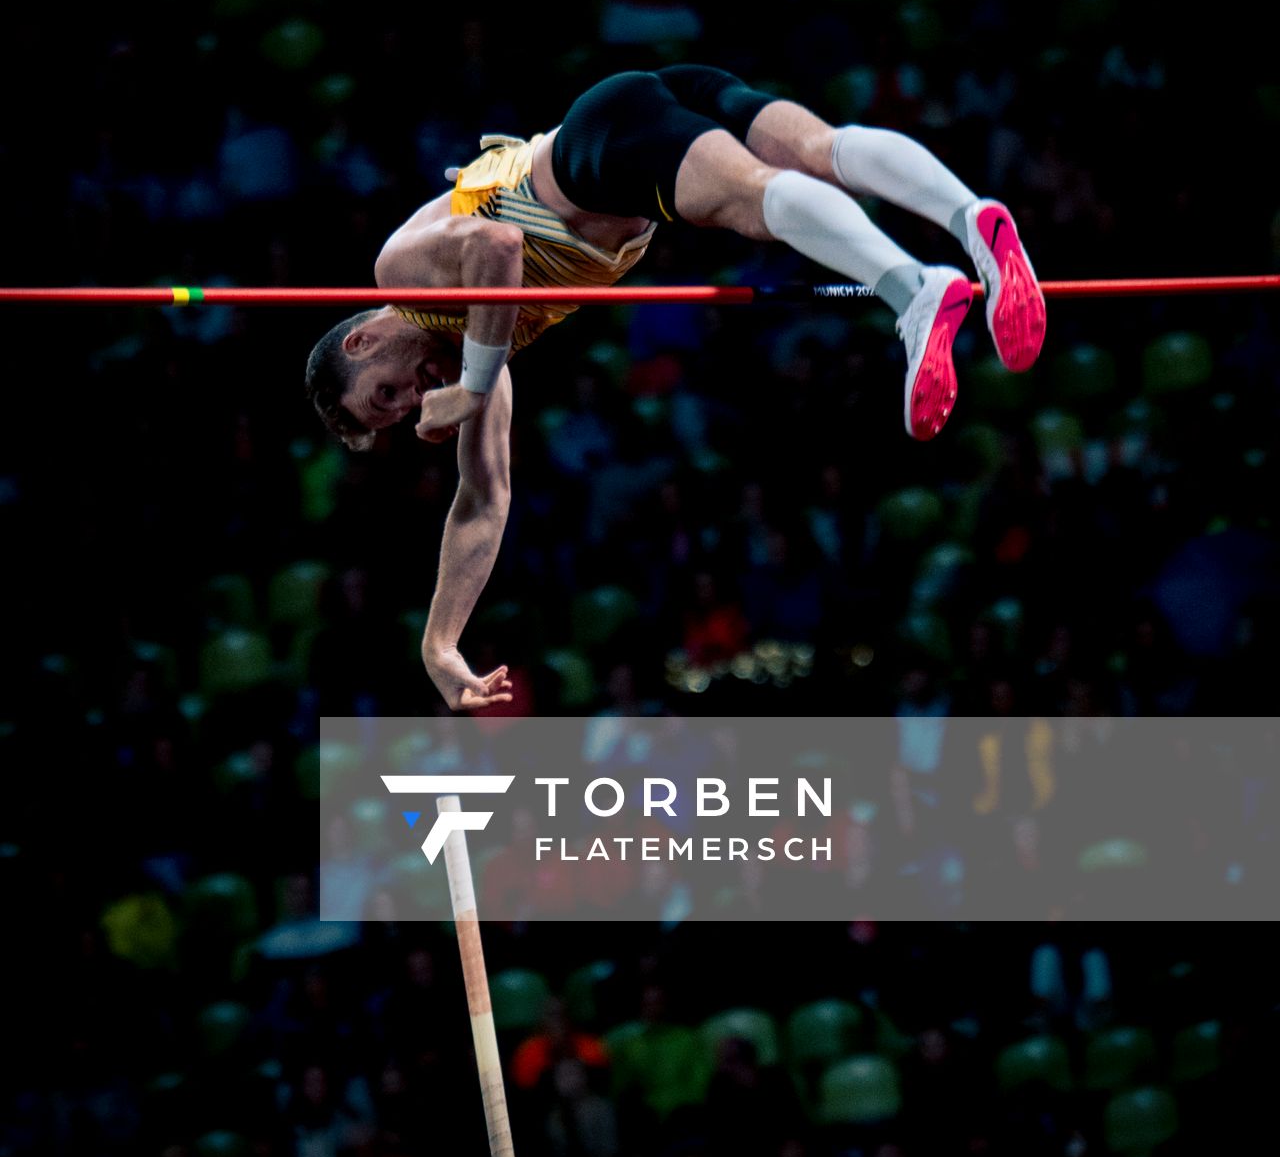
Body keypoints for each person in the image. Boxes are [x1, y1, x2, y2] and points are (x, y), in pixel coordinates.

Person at [305, 66, 1044, 709]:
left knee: (755, 201)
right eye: (398, 413)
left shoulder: (400, 276)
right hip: (642, 114)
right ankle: (970, 215)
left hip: (595, 150)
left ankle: (913, 290)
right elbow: (483, 497)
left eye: (386, 395)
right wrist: (440, 642)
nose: (409, 404)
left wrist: (470, 390)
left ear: (362, 341)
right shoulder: (479, 345)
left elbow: (498, 244)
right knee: (821, 151)